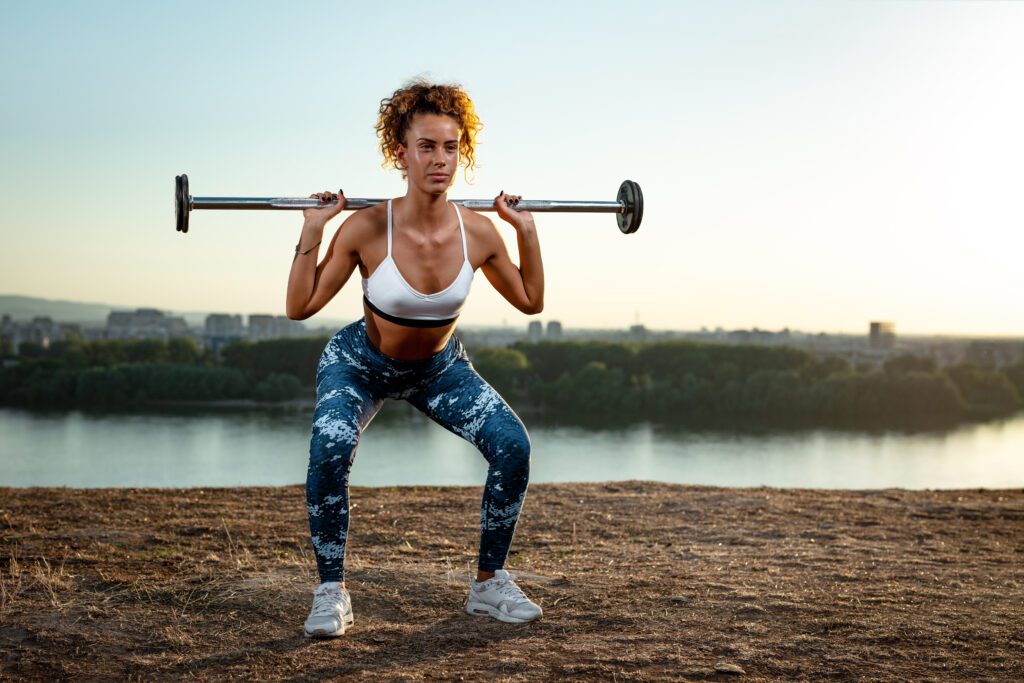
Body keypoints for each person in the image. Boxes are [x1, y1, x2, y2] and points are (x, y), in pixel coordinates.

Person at [285, 79, 545, 638]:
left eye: (450, 147)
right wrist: (312, 229)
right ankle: (331, 592)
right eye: (426, 146)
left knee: (513, 446)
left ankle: (488, 584)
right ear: (400, 154)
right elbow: (299, 306)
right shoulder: (366, 227)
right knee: (330, 447)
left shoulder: (479, 232)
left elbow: (530, 300)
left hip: (438, 370)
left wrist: (525, 231)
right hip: (360, 362)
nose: (440, 159)